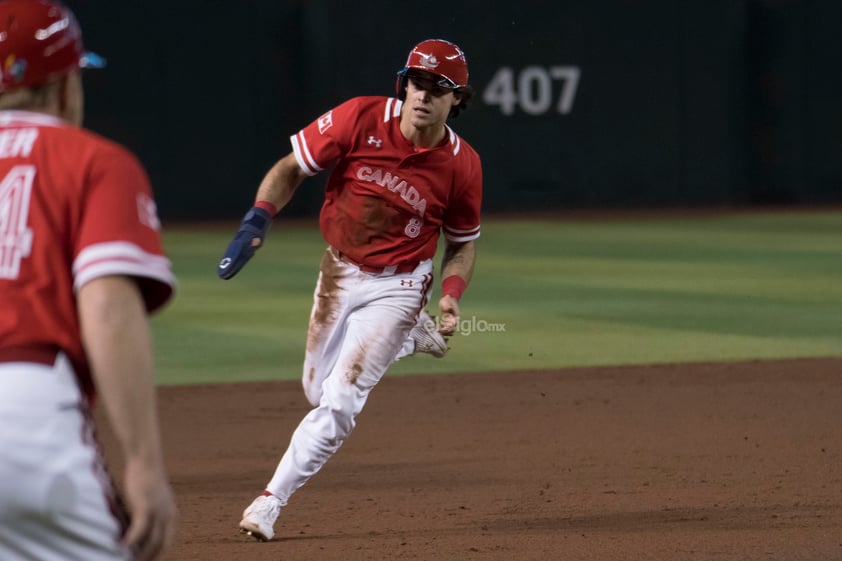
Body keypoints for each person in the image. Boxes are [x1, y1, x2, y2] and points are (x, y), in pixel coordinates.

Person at [217, 38, 482, 541]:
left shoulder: (462, 165)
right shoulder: (360, 118)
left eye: (437, 87)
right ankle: (410, 339)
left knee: (339, 401)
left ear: (458, 99)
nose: (423, 95)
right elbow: (291, 167)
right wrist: (257, 218)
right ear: (404, 84)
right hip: (338, 271)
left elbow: (463, 245)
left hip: (401, 284)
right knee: (316, 391)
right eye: (417, 82)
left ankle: (270, 501)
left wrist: (450, 292)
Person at [0, 1, 177, 560]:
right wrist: (144, 464)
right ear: (62, 84)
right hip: (26, 416)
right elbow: (107, 307)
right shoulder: (95, 161)